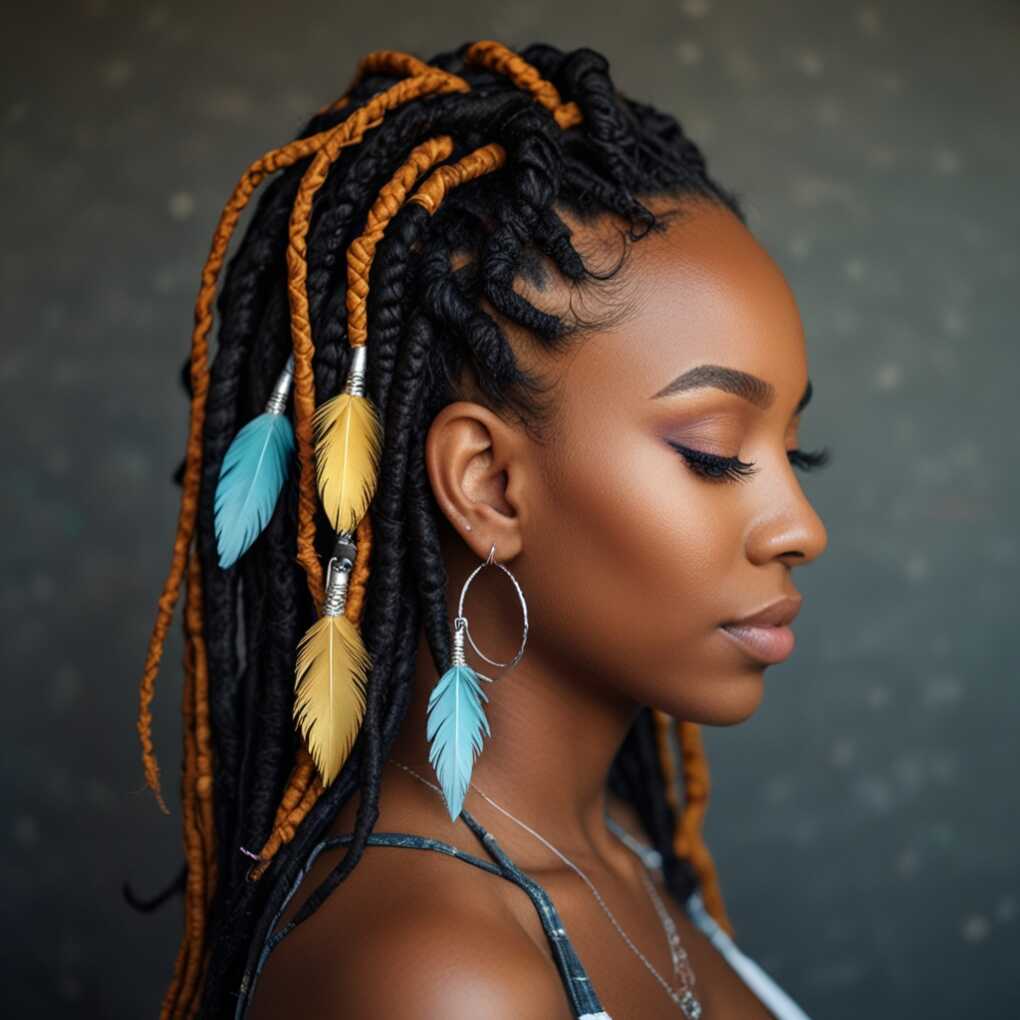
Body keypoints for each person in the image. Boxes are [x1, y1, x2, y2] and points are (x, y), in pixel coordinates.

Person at [132, 38, 831, 1018]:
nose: (801, 528)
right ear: (490, 486)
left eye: (795, 454)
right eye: (715, 452)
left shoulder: (614, 841)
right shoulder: (442, 979)